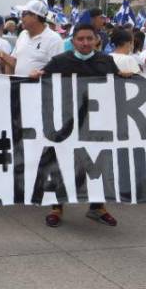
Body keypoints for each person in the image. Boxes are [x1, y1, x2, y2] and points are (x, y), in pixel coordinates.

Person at [33, 22, 120, 229]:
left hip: (96, 124)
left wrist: (125, 77)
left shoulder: (106, 61)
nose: (85, 43)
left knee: (97, 164)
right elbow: (43, 80)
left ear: (96, 40)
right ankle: (57, 207)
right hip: (66, 124)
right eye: (80, 39)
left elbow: (118, 87)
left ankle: (97, 207)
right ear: (73, 42)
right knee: (60, 163)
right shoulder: (59, 61)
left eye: (89, 38)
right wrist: (35, 76)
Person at [0, 0, 63, 77]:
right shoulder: (23, 34)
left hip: (40, 88)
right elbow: (16, 63)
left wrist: (41, 74)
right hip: (19, 86)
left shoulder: (54, 40)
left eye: (24, 14)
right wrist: (3, 55)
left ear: (35, 16)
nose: (21, 17)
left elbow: (58, 71)